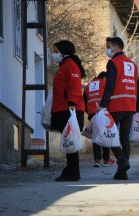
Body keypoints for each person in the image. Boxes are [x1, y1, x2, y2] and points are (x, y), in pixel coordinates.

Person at [97, 37, 139, 180]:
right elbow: (137, 87)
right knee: (124, 138)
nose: (107, 49)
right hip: (130, 106)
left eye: (108, 46)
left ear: (116, 47)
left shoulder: (113, 63)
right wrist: (136, 106)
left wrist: (102, 105)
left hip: (116, 105)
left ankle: (121, 160)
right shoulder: (133, 64)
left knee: (109, 135)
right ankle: (122, 172)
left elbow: (109, 85)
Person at [50, 40, 86, 181]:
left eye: (55, 51)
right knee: (69, 141)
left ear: (63, 51)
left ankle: (72, 172)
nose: (54, 54)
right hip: (63, 108)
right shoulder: (64, 65)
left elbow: (75, 86)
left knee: (71, 142)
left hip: (70, 109)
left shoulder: (70, 65)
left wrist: (71, 103)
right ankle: (72, 171)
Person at [83, 72, 115, 167]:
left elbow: (84, 100)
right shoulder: (105, 83)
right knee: (105, 134)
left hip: (92, 113)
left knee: (96, 136)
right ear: (104, 78)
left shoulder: (88, 86)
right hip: (102, 112)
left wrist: (89, 112)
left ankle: (97, 160)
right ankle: (106, 159)